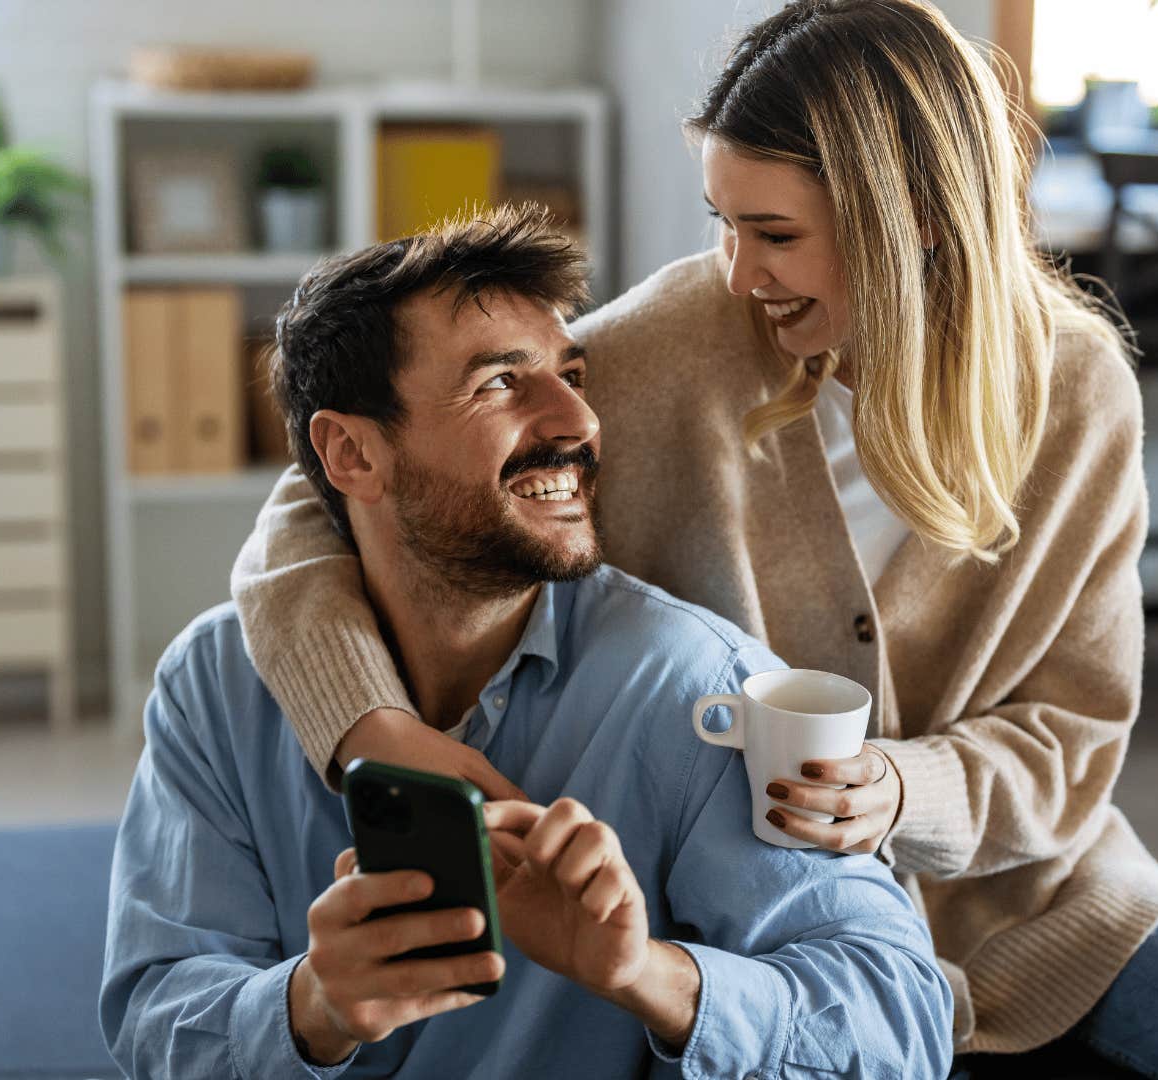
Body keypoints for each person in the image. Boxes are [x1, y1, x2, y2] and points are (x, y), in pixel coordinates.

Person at [230, 2, 1158, 1076]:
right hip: (755, 923)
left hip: (1045, 904)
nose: (738, 271)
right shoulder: (685, 342)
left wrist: (899, 788)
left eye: (774, 232)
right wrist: (369, 724)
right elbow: (331, 493)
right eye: (724, 224)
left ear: (911, 221)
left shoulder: (1077, 396)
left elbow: (1071, 742)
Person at [101, 206, 953, 1079]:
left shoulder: (695, 691)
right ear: (352, 454)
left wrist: (646, 973)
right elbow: (154, 1015)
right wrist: (315, 1006)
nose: (578, 421)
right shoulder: (214, 686)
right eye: (502, 384)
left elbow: (900, 1025)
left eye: (571, 374)